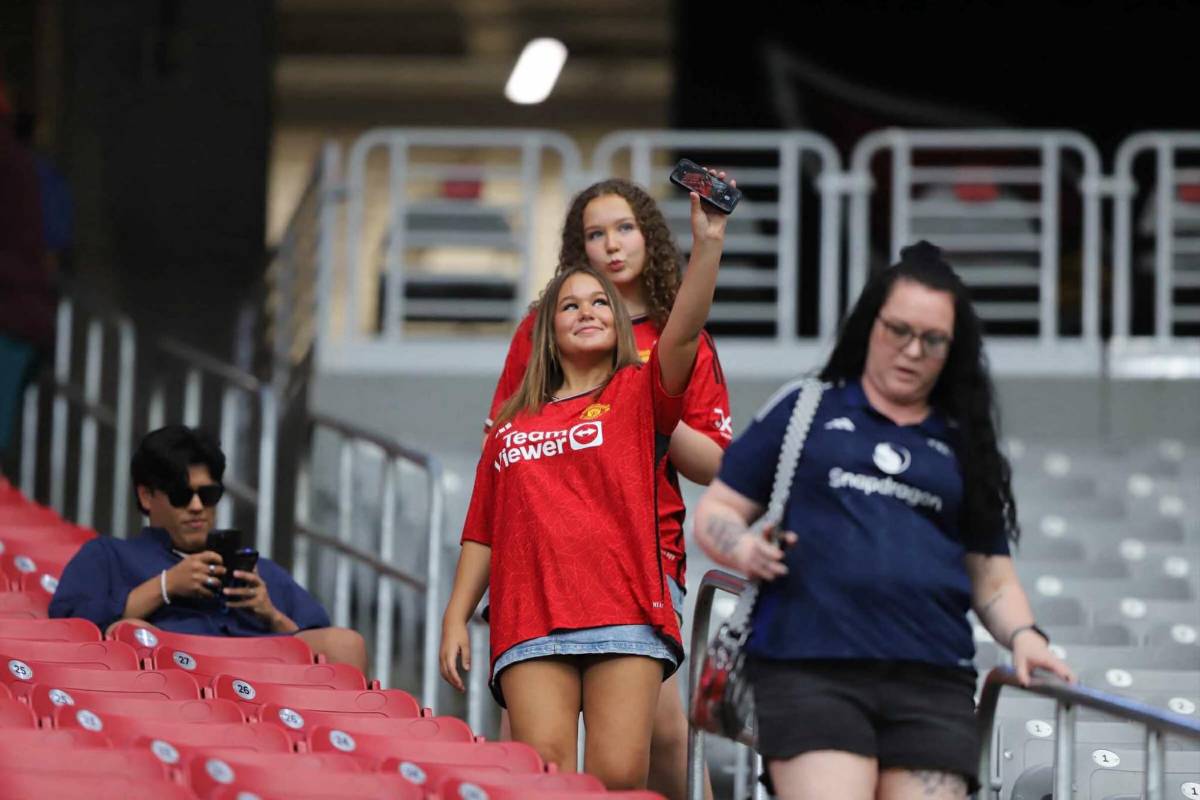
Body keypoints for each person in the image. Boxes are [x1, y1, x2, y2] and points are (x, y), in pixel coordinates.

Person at [694, 241, 1074, 800]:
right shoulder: (806, 407)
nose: (913, 350)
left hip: (932, 684)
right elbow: (719, 510)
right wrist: (743, 549)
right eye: (899, 330)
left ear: (953, 348)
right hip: (810, 668)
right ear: (871, 324)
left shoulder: (965, 443)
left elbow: (992, 579)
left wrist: (1025, 635)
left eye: (933, 339)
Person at [441, 171, 732, 790]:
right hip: (531, 603)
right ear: (548, 326)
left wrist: (707, 244)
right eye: (569, 305)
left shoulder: (642, 379)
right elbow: (484, 520)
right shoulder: (517, 415)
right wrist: (455, 615)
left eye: (600, 305)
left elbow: (684, 333)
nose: (587, 311)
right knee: (540, 770)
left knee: (639, 759)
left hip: (630, 586)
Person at [50, 425, 367, 673]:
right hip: (174, 680)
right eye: (180, 495)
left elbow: (318, 638)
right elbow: (73, 628)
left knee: (345, 643)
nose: (197, 507)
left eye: (209, 494)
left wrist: (273, 616)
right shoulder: (109, 555)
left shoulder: (257, 570)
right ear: (147, 497)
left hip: (259, 671)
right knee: (130, 632)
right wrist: (166, 586)